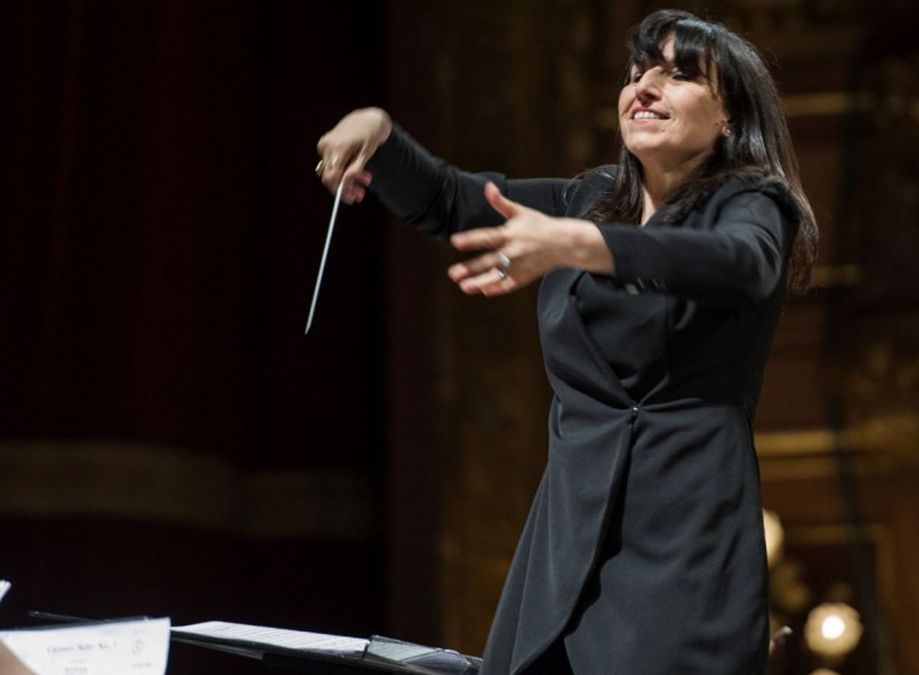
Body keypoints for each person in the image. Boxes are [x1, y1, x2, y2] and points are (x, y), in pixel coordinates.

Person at [316, 9, 817, 675]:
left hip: (684, 545)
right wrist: (379, 137)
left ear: (730, 117)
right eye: (636, 73)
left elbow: (739, 261)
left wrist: (580, 244)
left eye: (677, 76)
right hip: (566, 542)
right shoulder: (587, 199)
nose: (643, 87)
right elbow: (450, 198)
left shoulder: (755, 203)